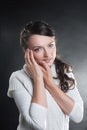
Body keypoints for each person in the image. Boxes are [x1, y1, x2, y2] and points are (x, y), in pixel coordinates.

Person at [7, 20, 84, 130]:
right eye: (38, 49)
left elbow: (78, 116)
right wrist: (38, 79)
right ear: (26, 51)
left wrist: (50, 84)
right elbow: (38, 125)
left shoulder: (63, 71)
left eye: (50, 45)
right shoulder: (18, 78)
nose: (47, 54)